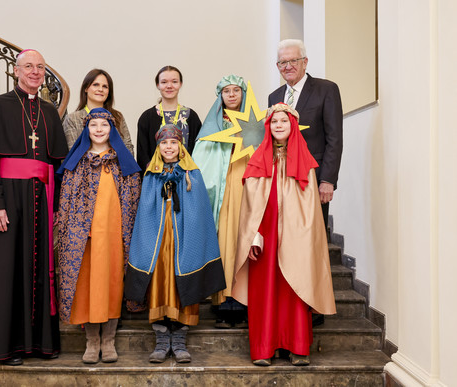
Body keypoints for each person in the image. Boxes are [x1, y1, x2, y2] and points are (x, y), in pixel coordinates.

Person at [0, 49, 68, 366]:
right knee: (8, 271)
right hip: (9, 200)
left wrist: (56, 206)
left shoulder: (50, 112)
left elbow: (56, 164)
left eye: (40, 67)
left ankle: (40, 344)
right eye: (29, 66)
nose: (35, 72)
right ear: (15, 71)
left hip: (42, 197)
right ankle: (8, 347)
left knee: (40, 269)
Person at [232, 103, 336, 366]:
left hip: (296, 237)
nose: (279, 125)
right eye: (274, 121)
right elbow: (248, 207)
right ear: (268, 127)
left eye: (284, 121)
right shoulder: (258, 161)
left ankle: (297, 346)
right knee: (264, 291)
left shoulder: (306, 164)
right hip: (264, 238)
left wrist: (304, 239)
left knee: (295, 287)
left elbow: (311, 211)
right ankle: (263, 348)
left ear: (293, 127)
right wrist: (252, 236)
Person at [125, 124, 226, 364]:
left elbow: (199, 213)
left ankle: (179, 340)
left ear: (181, 146)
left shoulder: (193, 174)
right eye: (164, 143)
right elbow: (145, 212)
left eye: (173, 143)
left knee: (184, 287)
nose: (168, 147)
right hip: (158, 244)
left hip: (184, 241)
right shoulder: (150, 175)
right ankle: (161, 340)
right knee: (160, 284)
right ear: (158, 147)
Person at [268, 38, 343, 327]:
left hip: (312, 183)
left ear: (305, 62)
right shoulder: (274, 95)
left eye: (292, 61)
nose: (287, 66)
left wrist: (327, 180)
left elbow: (334, 138)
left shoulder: (326, 90)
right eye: (282, 63)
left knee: (313, 243)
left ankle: (314, 304)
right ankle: (290, 302)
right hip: (282, 185)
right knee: (287, 243)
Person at [57, 108, 141, 364]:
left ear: (112, 129)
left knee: (112, 284)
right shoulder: (78, 160)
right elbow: (66, 199)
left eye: (104, 125)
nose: (99, 129)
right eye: (93, 125)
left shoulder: (121, 160)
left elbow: (133, 197)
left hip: (115, 233)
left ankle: (109, 340)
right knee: (86, 286)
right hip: (85, 236)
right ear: (86, 129)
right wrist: (70, 229)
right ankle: (92, 341)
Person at [192, 75, 249, 328]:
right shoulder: (212, 126)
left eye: (236, 90)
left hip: (248, 190)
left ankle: (247, 303)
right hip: (222, 195)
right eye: (227, 91)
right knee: (225, 247)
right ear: (221, 96)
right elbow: (201, 160)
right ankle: (224, 305)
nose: (232, 95)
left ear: (243, 93)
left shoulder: (254, 125)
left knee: (245, 247)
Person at [136, 65, 202, 171]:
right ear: (158, 85)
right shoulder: (146, 118)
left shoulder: (191, 116)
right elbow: (142, 155)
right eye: (164, 82)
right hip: (156, 180)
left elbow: (199, 152)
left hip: (186, 179)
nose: (169, 86)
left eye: (174, 82)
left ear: (180, 84)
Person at [62, 69, 134, 154]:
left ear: (109, 92)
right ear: (86, 88)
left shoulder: (117, 116)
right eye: (95, 85)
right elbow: (73, 153)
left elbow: (128, 150)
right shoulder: (72, 119)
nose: (100, 89)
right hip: (83, 167)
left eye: (105, 86)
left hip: (117, 166)